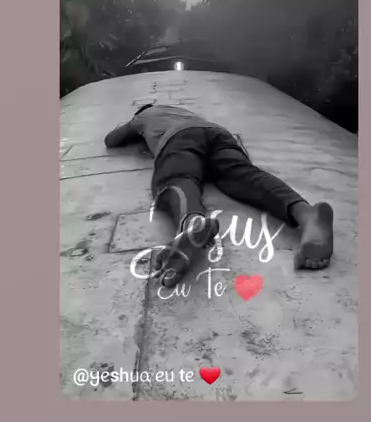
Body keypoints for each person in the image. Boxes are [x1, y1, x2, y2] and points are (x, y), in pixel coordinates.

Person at [104, 103, 334, 288]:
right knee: (242, 176)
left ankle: (192, 224)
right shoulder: (183, 111)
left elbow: (112, 140)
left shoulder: (144, 116)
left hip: (180, 138)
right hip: (218, 134)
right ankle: (306, 214)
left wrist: (134, 125)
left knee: (177, 177)